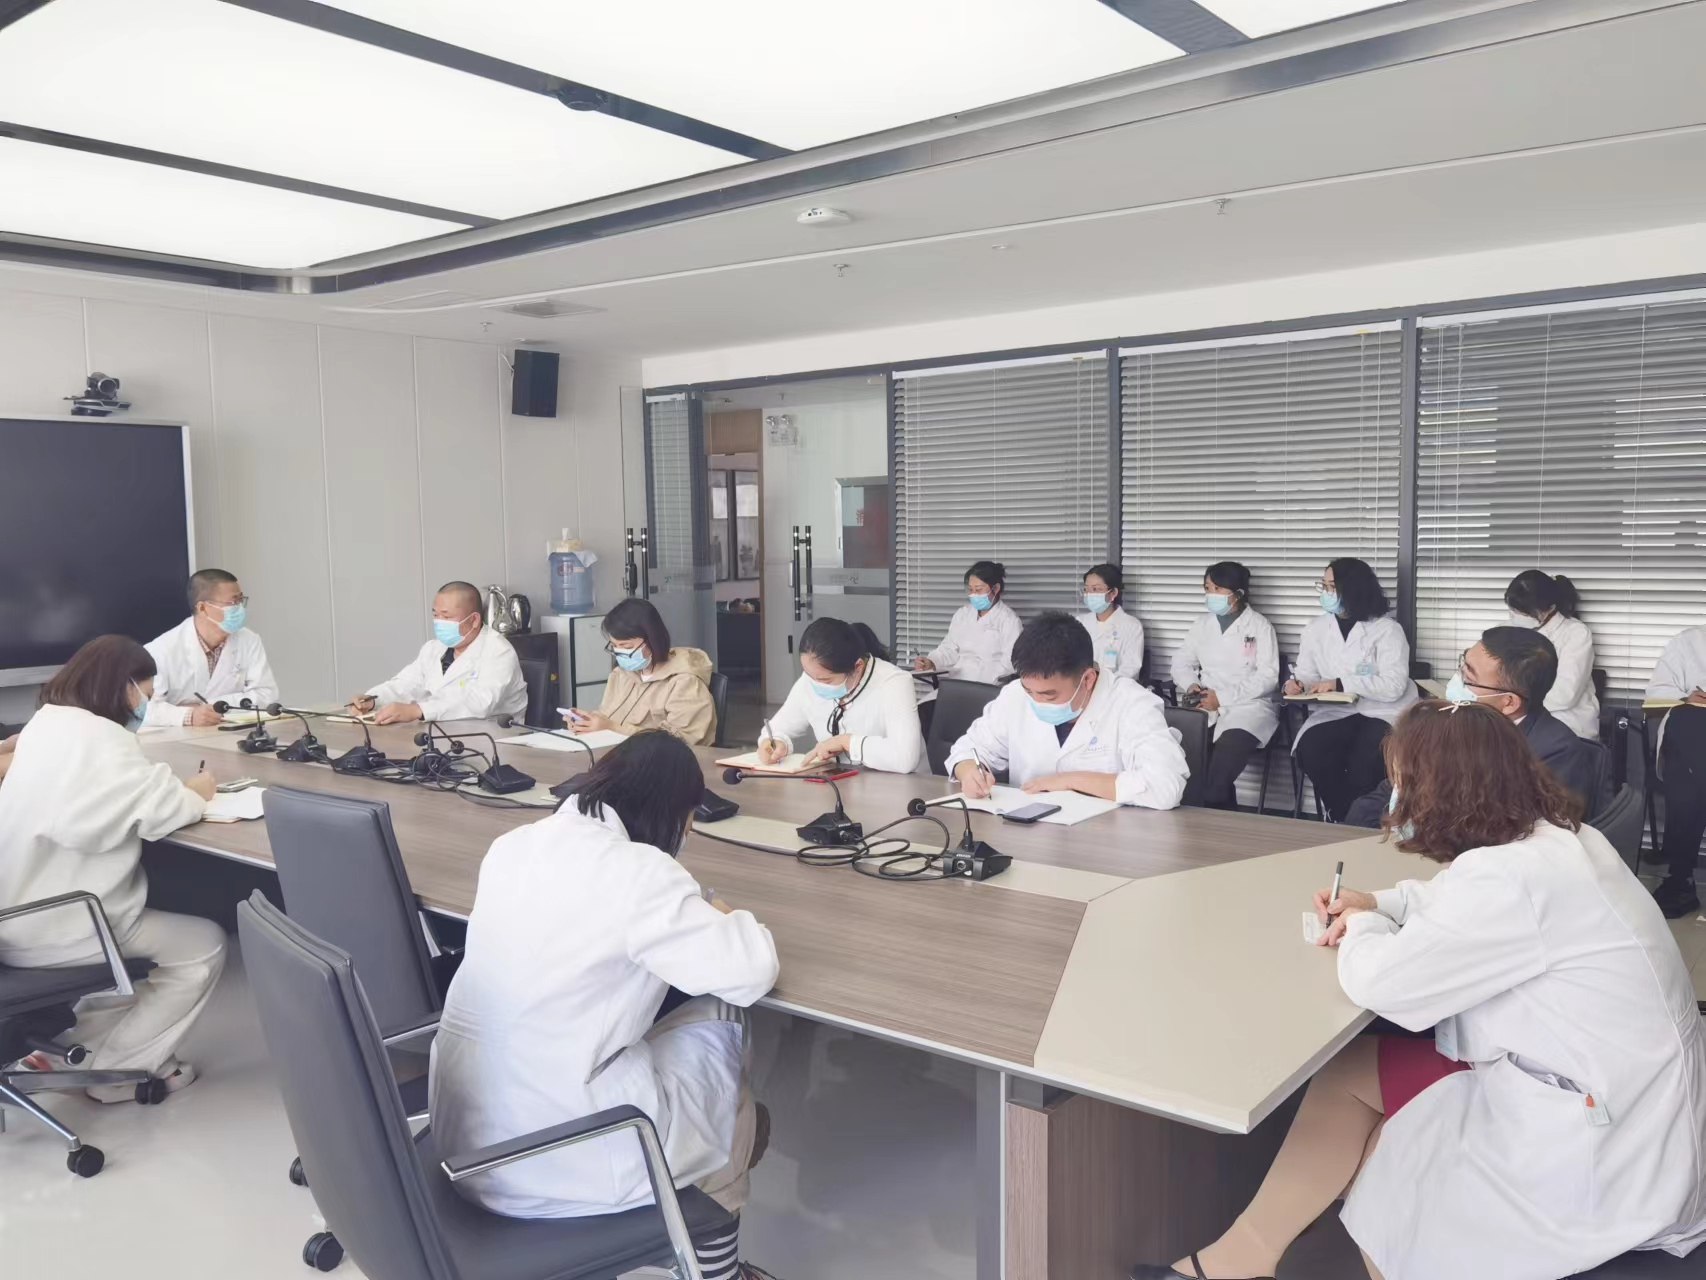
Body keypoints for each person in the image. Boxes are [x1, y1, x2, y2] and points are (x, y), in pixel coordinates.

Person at [1136, 701, 1706, 1280]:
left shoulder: (1512, 879)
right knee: (1349, 1074)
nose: (1395, 796)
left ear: (1442, 791)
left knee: (1393, 1166)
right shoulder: (1557, 840)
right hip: (1613, 1094)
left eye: (1403, 782)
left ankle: (1268, 1260)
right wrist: (1377, 902)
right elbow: (1451, 898)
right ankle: (1239, 1262)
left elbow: (1379, 982)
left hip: (1600, 1143)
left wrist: (1362, 923)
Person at [429, 731, 779, 1280]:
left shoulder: (512, 846)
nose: (686, 835)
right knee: (724, 1017)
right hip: (563, 1160)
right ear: (673, 812)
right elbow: (752, 971)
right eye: (688, 822)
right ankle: (718, 1264)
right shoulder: (639, 871)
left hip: (465, 1149)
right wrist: (724, 912)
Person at [0, 636, 222, 1098]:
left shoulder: (47, 723)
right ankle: (120, 1075)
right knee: (203, 945)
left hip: (15, 915)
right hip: (60, 923)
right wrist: (196, 792)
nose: (147, 702)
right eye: (146, 692)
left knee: (130, 967)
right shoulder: (101, 739)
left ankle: (72, 1053)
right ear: (125, 687)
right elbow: (161, 810)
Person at [1343, 625, 1612, 827]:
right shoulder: (1448, 723)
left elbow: (1517, 831)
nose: (1456, 681)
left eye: (1468, 677)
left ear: (1508, 702)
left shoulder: (1555, 752)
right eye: (1462, 666)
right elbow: (1390, 793)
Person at [946, 611, 1188, 808]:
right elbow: (967, 750)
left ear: (1088, 679)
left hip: (1108, 839)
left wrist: (1069, 781)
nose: (1036, 701)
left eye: (1048, 695)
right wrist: (970, 771)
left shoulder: (1132, 703)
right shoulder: (1015, 694)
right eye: (1029, 691)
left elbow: (1164, 788)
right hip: (1029, 835)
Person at [1287, 558, 1417, 822]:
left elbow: (1393, 686)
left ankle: (1358, 820)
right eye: (1324, 585)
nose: (1326, 593)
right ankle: (1346, 817)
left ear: (1353, 588)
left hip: (1383, 710)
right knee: (1311, 749)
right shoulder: (1316, 629)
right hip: (1337, 711)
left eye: (1332, 586)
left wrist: (1342, 682)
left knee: (1367, 759)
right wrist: (1297, 684)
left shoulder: (1388, 631)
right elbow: (1307, 673)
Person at [1169, 562, 1279, 809]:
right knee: (1190, 764)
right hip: (1205, 704)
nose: (1211, 594)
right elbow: (1181, 662)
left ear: (1237, 593)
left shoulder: (1259, 626)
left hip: (1248, 708)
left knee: (1220, 770)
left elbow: (1268, 676)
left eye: (1217, 589)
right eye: (1208, 588)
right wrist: (1191, 685)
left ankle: (1217, 822)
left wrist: (1223, 698)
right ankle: (1219, 819)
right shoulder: (1202, 624)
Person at [758, 618, 924, 773]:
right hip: (839, 785)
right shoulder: (811, 679)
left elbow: (905, 758)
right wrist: (776, 743)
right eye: (808, 675)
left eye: (826, 680)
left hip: (898, 788)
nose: (815, 684)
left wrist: (846, 742)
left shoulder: (894, 682)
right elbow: (776, 729)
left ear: (857, 667)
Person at [350, 581, 527, 726]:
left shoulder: (499, 651)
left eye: (446, 616)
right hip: (441, 733)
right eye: (436, 615)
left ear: (474, 620)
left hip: (493, 740)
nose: (439, 622)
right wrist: (373, 700)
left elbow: (480, 702)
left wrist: (419, 710)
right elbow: (407, 683)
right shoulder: (434, 648)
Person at [563, 598, 715, 746]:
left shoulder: (685, 682)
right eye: (615, 646)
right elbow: (608, 715)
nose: (620, 653)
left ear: (653, 640)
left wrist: (611, 728)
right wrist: (587, 722)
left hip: (658, 761)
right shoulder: (621, 675)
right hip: (617, 755)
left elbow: (679, 743)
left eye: (627, 647)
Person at [143, 568, 278, 727]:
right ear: (202, 608)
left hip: (233, 732)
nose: (240, 608)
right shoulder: (160, 650)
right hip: (179, 738)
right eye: (232, 603)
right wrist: (188, 715)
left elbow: (266, 695)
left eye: (241, 600)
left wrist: (211, 706)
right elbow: (142, 708)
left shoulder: (249, 640)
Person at [1647, 622, 1706, 919]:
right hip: (1691, 740)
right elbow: (1656, 692)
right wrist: (1686, 698)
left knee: (1690, 784)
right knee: (1689, 721)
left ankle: (1680, 877)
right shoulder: (1688, 641)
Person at [1506, 569, 1600, 740]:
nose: (1516, 617)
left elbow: (1564, 695)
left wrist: (1513, 699)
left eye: (1524, 613)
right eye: (1513, 610)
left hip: (1567, 723)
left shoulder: (1575, 633)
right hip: (1517, 718)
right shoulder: (1505, 629)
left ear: (1550, 609)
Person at [914, 560, 1022, 684]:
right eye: (970, 589)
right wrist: (931, 661)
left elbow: (1010, 664)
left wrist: (989, 682)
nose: (973, 594)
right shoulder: (962, 614)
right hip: (958, 683)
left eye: (979, 590)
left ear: (996, 588)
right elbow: (949, 648)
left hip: (989, 687)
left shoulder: (1009, 621)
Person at [1077, 563, 1145, 681]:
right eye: (1086, 589)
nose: (1089, 594)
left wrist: (1102, 683)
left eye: (1096, 589)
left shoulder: (1132, 626)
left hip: (1114, 688)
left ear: (1113, 593)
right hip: (1081, 686)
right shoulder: (1080, 622)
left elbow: (1130, 670)